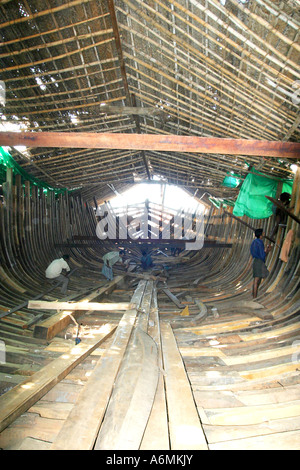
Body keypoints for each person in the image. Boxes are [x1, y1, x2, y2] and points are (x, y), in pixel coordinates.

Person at [250, 229, 272, 298]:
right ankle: (254, 297)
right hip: (259, 262)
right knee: (257, 280)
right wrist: (268, 250)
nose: (264, 233)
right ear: (260, 235)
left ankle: (254, 295)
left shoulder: (254, 242)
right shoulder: (260, 242)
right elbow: (263, 255)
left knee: (257, 279)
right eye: (263, 232)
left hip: (255, 260)